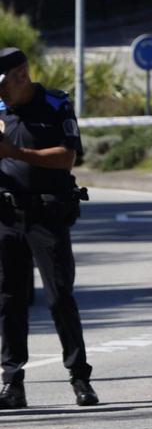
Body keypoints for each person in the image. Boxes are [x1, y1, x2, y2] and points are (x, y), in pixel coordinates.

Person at [0, 47, 95, 410]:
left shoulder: (56, 105)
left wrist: (13, 153)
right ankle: (12, 384)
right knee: (9, 300)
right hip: (7, 216)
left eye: (4, 84)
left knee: (60, 297)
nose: (2, 93)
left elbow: (66, 157)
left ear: (22, 75)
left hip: (47, 214)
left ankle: (80, 378)